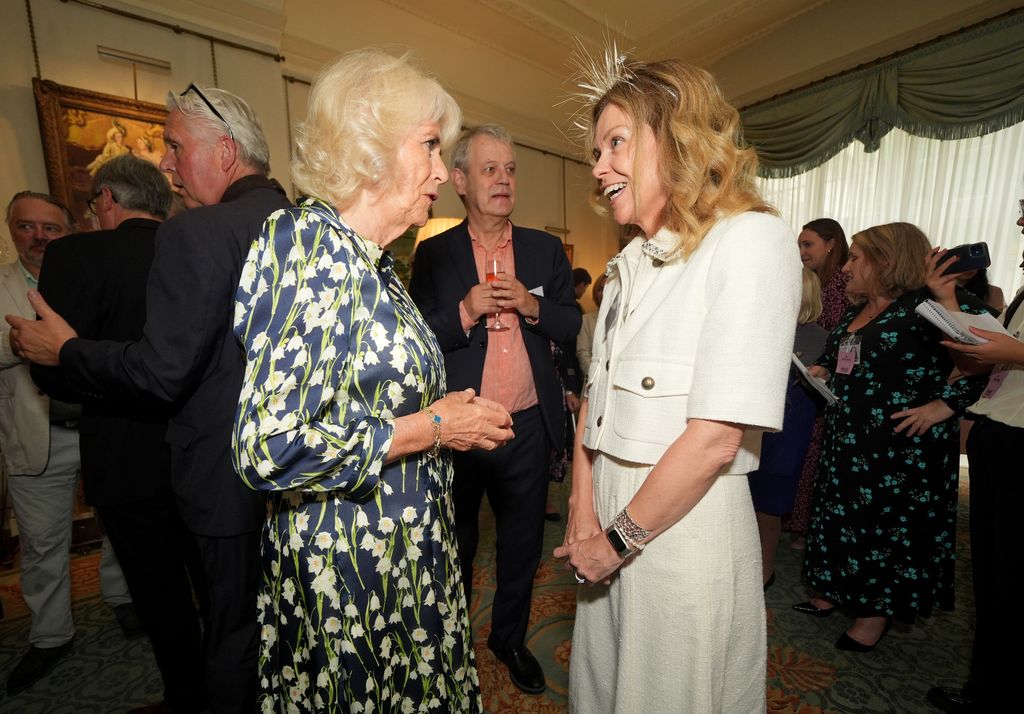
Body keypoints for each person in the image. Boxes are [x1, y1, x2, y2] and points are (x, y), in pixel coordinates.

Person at [232, 50, 513, 712]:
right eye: (430, 146)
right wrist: (434, 426)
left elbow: (363, 398)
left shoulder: (376, 264)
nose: (445, 171)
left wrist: (438, 413)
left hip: (402, 561)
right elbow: (264, 446)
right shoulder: (305, 243)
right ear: (368, 141)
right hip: (350, 580)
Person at [7, 83, 291, 713]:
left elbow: (164, 372)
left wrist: (70, 350)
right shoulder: (305, 224)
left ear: (224, 151)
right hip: (296, 471)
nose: (166, 163)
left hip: (221, 475)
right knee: (282, 620)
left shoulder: (198, 232)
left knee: (229, 632)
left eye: (174, 146)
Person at [555, 53, 800, 713]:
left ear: (677, 136)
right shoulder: (627, 266)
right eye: (595, 151)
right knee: (603, 696)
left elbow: (717, 438)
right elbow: (593, 410)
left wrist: (614, 542)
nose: (599, 166)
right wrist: (583, 518)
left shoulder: (750, 242)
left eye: (616, 143)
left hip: (680, 542)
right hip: (607, 532)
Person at [29, 155, 208, 713]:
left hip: (123, 457)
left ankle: (187, 695)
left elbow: (51, 369)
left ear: (106, 199)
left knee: (158, 594)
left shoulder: (73, 255)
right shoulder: (201, 248)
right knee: (220, 582)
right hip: (202, 450)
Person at [409, 123, 580, 695]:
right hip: (457, 426)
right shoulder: (433, 254)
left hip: (526, 425)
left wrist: (533, 305)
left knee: (522, 545)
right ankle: (449, 640)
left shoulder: (544, 249)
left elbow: (571, 322)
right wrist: (462, 311)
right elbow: (414, 341)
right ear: (459, 180)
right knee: (452, 541)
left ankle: (508, 639)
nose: (503, 180)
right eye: (489, 169)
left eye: (509, 169)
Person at [795, 222, 988, 652]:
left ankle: (873, 614)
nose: (845, 267)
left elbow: (987, 350)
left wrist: (946, 404)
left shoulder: (929, 305)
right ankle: (835, 588)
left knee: (884, 529)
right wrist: (823, 369)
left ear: (885, 260)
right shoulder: (858, 308)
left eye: (855, 257)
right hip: (849, 437)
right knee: (840, 517)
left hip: (901, 446)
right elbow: (839, 355)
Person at [0, 191, 133, 695]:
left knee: (119, 526)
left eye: (50, 229)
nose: (38, 238)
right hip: (39, 435)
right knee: (43, 543)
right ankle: (50, 636)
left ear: (69, 232)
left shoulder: (88, 275)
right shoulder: (2, 284)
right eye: (27, 227)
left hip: (101, 427)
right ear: (12, 229)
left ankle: (123, 601)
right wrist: (20, 343)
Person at [926, 205, 1024, 713]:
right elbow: (975, 360)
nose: (1021, 224)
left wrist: (1010, 353)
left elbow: (1009, 355)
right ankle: (987, 686)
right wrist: (944, 299)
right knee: (993, 575)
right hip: (999, 433)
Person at [748, 268, 828, 589]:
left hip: (787, 430)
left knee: (770, 503)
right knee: (746, 498)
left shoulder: (821, 337)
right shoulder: (761, 330)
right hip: (753, 425)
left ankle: (765, 570)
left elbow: (824, 392)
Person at [787, 217, 852, 548]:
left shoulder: (841, 284)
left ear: (831, 244)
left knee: (813, 452)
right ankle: (796, 521)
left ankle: (802, 526)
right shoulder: (815, 279)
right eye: (799, 245)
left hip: (828, 374)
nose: (801, 251)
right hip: (815, 367)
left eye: (807, 244)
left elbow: (841, 337)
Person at [576, 272, 607, 381]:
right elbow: (582, 352)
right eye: (600, 289)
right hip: (592, 382)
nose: (603, 293)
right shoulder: (586, 320)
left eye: (608, 288)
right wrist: (597, 378)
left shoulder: (626, 321)